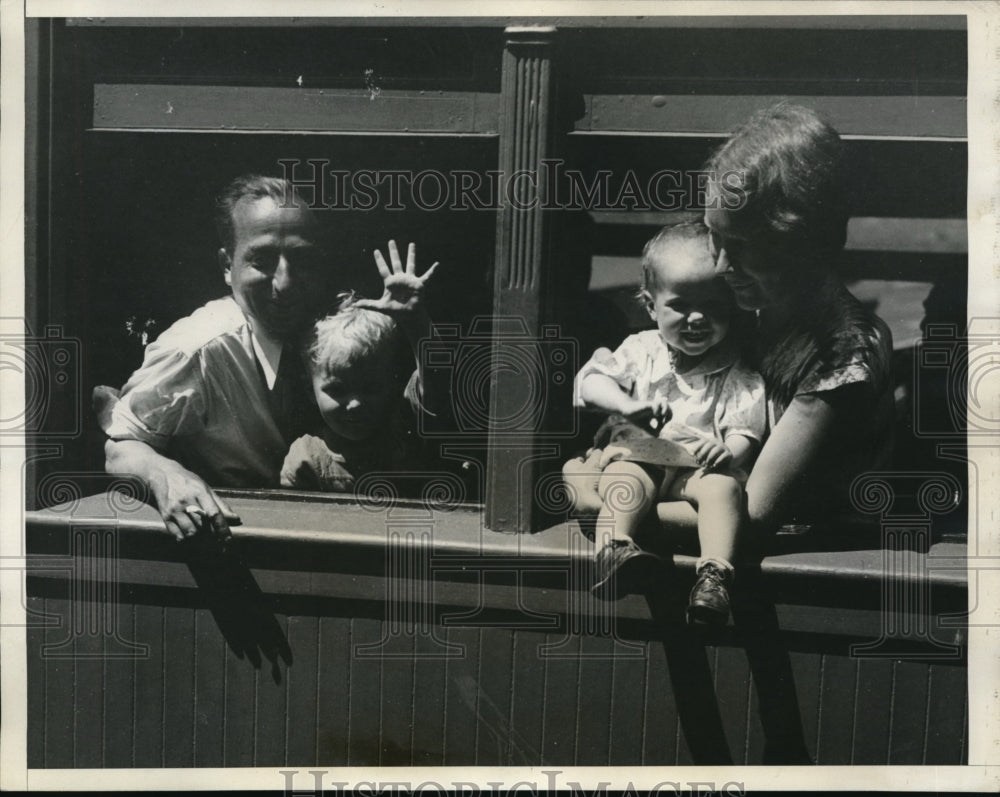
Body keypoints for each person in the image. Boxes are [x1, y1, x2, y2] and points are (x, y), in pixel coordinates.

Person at [656, 103, 893, 542]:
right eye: (713, 234)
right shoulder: (749, 303)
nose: (722, 265)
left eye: (744, 246)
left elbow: (756, 515)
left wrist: (614, 507)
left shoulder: (844, 351)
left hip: (803, 559)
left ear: (803, 243)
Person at [100, 175, 337, 541]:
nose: (285, 282)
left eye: (302, 259)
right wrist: (166, 473)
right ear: (228, 266)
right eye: (262, 260)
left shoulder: (333, 329)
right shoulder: (196, 349)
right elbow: (120, 446)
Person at [563, 221, 767, 624]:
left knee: (724, 490)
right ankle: (614, 551)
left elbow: (747, 425)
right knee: (628, 476)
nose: (697, 317)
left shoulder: (735, 370)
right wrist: (626, 405)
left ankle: (714, 576)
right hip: (641, 458)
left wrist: (729, 449)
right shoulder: (640, 351)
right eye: (680, 304)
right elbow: (591, 382)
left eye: (713, 306)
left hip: (696, 469)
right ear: (651, 305)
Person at [279, 241, 443, 491]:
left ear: (392, 382)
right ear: (309, 389)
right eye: (336, 389)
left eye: (371, 388)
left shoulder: (402, 427)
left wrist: (416, 321)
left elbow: (436, 381)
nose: (355, 404)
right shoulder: (305, 458)